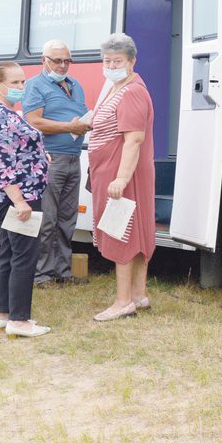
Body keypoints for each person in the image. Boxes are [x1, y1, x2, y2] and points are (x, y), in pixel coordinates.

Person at [88, 33, 156, 321]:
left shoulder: (132, 92)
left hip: (122, 174)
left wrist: (121, 178)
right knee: (135, 233)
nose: (111, 65)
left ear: (132, 61)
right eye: (107, 60)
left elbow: (134, 140)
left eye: (117, 61)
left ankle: (123, 301)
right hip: (111, 171)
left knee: (122, 234)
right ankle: (138, 295)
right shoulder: (117, 88)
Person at [0, 62, 51, 337]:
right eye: (15, 83)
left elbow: (16, 149)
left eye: (23, 83)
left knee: (10, 254)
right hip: (17, 197)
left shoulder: (3, 111)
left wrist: (38, 156)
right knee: (24, 256)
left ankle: (3, 314)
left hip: (15, 194)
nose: (21, 88)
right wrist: (19, 201)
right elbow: (1, 163)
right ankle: (19, 320)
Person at [22, 40, 90, 287]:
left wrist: (86, 124)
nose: (62, 65)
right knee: (47, 218)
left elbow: (79, 116)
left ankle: (63, 271)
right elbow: (34, 122)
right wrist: (69, 127)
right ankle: (41, 274)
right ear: (44, 60)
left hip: (74, 157)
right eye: (57, 60)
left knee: (67, 218)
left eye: (67, 60)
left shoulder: (76, 85)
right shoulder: (35, 85)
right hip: (49, 157)